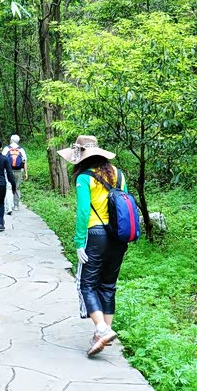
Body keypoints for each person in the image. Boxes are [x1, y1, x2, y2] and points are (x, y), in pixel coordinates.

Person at [57, 135, 128, 357]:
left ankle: (102, 329)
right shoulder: (118, 174)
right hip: (118, 236)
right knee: (108, 285)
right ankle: (103, 333)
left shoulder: (84, 178)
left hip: (95, 235)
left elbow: (83, 212)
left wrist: (79, 242)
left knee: (85, 284)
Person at [2, 134, 28, 213]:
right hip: (18, 171)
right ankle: (16, 206)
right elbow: (24, 162)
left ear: (11, 140)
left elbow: (2, 160)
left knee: (9, 188)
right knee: (16, 187)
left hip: (8, 171)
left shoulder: (6, 148)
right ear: (18, 141)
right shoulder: (21, 149)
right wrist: (26, 173)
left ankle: (9, 207)